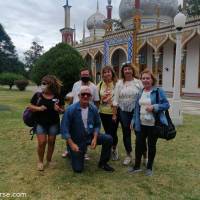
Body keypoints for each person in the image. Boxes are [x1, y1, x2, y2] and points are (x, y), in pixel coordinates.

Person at [61, 86, 114, 173]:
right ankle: (71, 152)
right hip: (76, 139)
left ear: (90, 97)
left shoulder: (93, 109)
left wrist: (95, 138)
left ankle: (103, 163)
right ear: (79, 96)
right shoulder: (70, 110)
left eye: (88, 94)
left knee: (108, 139)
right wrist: (72, 144)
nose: (85, 96)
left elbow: (97, 124)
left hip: (90, 135)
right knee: (78, 169)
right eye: (83, 94)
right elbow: (64, 129)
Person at [129, 69, 170, 176]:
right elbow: (136, 108)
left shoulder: (158, 91)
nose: (145, 80)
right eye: (143, 78)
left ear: (152, 80)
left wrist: (154, 107)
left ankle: (149, 167)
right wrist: (133, 120)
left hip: (153, 125)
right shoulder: (140, 92)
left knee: (151, 146)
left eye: (148, 78)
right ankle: (136, 166)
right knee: (139, 145)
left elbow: (166, 105)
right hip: (141, 124)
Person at [62, 68, 99, 159]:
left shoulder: (94, 87)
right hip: (75, 111)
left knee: (85, 131)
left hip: (88, 111)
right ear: (80, 75)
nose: (84, 76)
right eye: (83, 75)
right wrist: (69, 108)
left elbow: (97, 101)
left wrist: (95, 112)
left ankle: (84, 151)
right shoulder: (76, 84)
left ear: (89, 75)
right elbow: (73, 97)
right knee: (71, 130)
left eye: (86, 75)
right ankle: (69, 149)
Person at [28, 75, 65, 171]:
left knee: (51, 142)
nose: (42, 85)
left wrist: (59, 109)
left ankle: (49, 160)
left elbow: (63, 110)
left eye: (45, 83)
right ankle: (40, 161)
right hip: (40, 123)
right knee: (42, 142)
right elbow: (30, 106)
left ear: (51, 85)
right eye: (42, 83)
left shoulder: (58, 96)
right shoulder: (38, 95)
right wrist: (39, 108)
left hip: (53, 123)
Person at [113, 62, 143, 165]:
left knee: (139, 133)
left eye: (129, 69)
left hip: (137, 111)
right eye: (125, 69)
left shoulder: (138, 82)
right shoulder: (119, 83)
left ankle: (144, 155)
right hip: (123, 111)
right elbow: (116, 99)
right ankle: (128, 155)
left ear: (132, 70)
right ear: (123, 71)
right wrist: (114, 113)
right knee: (126, 133)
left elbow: (143, 95)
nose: (127, 71)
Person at [97, 66, 119, 161]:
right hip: (103, 112)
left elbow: (119, 98)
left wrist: (114, 114)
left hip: (114, 113)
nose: (107, 74)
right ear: (102, 74)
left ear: (112, 73)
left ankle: (114, 148)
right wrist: (102, 100)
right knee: (107, 132)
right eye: (105, 72)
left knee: (112, 133)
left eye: (108, 72)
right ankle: (109, 148)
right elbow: (96, 99)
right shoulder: (100, 84)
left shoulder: (116, 84)